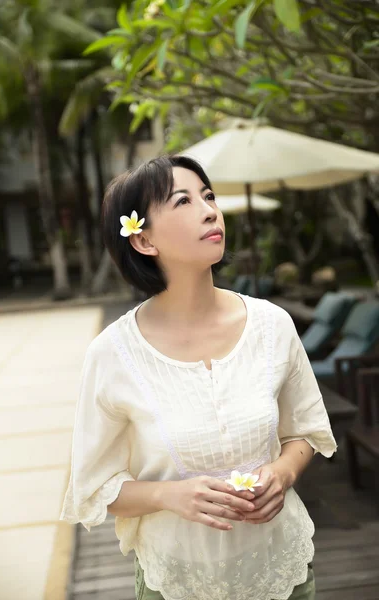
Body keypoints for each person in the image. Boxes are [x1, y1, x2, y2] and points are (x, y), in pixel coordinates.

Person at [60, 155, 337, 600]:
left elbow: (304, 431)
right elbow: (94, 489)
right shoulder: (113, 354)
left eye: (209, 196)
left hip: (282, 572)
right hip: (175, 581)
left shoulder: (272, 325)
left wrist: (283, 473)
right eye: (183, 201)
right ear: (144, 239)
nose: (210, 210)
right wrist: (170, 496)